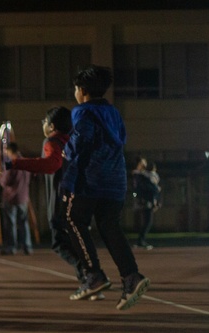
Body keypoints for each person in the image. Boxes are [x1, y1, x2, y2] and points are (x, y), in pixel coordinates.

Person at [60, 65, 149, 310]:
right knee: (109, 226)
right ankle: (131, 276)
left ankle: (93, 275)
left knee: (72, 219)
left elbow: (82, 138)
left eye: (76, 89)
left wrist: (66, 151)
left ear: (83, 90)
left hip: (90, 179)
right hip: (115, 181)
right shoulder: (113, 113)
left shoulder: (83, 111)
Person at [7, 107, 93, 290]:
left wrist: (16, 163)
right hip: (80, 198)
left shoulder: (51, 142)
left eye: (44, 121)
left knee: (60, 244)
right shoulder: (74, 141)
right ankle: (89, 281)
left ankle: (90, 276)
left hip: (61, 201)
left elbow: (51, 165)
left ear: (52, 125)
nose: (43, 125)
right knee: (77, 242)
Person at [0, 142, 32, 255]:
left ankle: (12, 247)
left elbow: (6, 181)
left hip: (11, 197)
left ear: (9, 151)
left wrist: (0, 178)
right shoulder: (26, 162)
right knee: (24, 222)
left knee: (11, 223)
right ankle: (27, 246)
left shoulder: (11, 164)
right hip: (24, 196)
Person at [131, 157, 160, 250]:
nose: (145, 164)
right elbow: (142, 188)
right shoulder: (139, 175)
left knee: (146, 221)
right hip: (145, 200)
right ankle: (141, 241)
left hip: (145, 200)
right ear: (139, 163)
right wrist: (155, 189)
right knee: (148, 221)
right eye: (143, 162)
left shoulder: (141, 175)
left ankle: (141, 240)